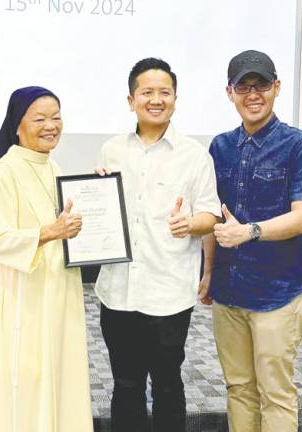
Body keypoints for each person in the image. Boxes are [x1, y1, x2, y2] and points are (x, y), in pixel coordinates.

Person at [201, 50, 302, 432]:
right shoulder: (219, 147)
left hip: (279, 292)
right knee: (238, 387)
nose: (253, 95)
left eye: (261, 85)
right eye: (243, 87)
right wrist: (207, 273)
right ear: (229, 92)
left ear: (277, 88)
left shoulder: (299, 144)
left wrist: (249, 231)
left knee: (275, 392)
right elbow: (212, 218)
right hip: (228, 290)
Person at [95, 58, 221, 432]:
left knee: (167, 385)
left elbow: (211, 216)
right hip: (117, 292)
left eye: (164, 92)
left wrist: (190, 223)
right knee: (125, 385)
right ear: (131, 99)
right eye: (146, 92)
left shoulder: (195, 155)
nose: (155, 99)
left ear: (175, 99)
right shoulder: (111, 150)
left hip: (168, 293)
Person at [0, 87, 94, 432]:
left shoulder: (54, 166)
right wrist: (50, 232)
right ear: (17, 124)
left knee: (59, 375)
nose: (50, 125)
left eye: (56, 117)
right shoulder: (2, 172)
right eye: (39, 118)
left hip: (58, 292)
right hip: (22, 298)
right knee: (24, 381)